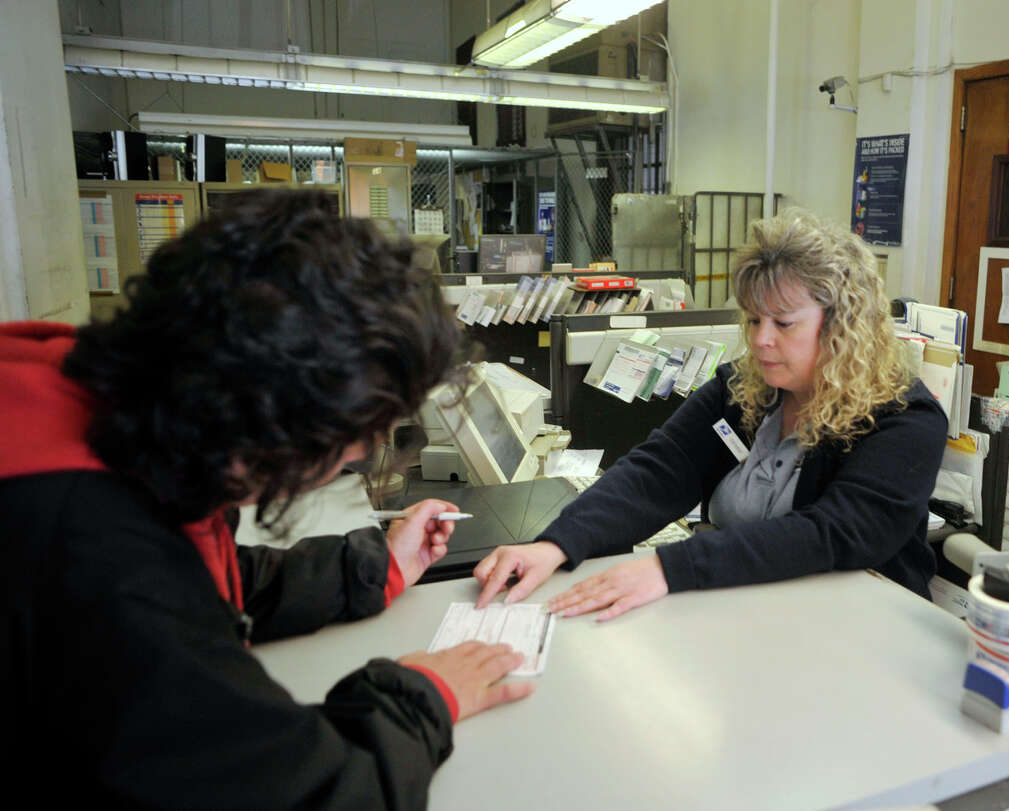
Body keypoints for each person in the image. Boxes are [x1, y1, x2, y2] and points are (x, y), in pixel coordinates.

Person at [1, 189, 532, 808]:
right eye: (359, 429)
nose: (360, 453)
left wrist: (374, 567)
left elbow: (203, 584)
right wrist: (424, 692)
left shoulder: (86, 398)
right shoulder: (94, 552)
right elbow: (314, 796)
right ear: (277, 416)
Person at [475, 209, 948, 620]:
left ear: (843, 324)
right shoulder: (746, 390)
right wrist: (557, 543)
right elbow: (660, 470)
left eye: (783, 323)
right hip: (750, 617)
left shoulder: (904, 419)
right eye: (754, 319)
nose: (761, 340)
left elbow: (835, 534)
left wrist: (672, 567)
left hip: (863, 634)